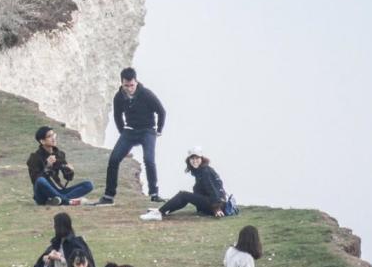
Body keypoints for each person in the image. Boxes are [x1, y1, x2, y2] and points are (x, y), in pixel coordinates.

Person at [94, 68, 166, 206]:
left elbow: (161, 111)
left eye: (132, 85)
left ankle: (154, 194)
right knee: (114, 159)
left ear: (136, 82)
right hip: (130, 131)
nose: (129, 88)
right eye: (126, 85)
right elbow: (117, 116)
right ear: (121, 83)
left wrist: (159, 130)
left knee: (149, 160)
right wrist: (123, 133)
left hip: (147, 130)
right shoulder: (119, 96)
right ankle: (108, 196)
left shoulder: (146, 94)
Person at [140, 147, 228, 221]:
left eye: (197, 158)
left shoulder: (205, 171)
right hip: (213, 204)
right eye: (192, 159)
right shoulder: (200, 170)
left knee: (183, 195)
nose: (195, 161)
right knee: (185, 197)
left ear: (202, 159)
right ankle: (163, 210)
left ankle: (159, 213)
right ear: (189, 160)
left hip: (217, 206)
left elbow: (213, 189)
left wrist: (217, 208)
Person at [27, 126, 94, 206]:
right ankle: (67, 201)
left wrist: (69, 170)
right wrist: (47, 166)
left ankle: (58, 200)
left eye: (53, 135)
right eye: (49, 136)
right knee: (41, 180)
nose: (53, 138)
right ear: (42, 141)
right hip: (42, 195)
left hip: (58, 191)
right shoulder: (35, 157)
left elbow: (68, 178)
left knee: (88, 185)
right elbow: (35, 180)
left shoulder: (59, 154)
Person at [30, 212, 94, 267]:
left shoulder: (77, 244)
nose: (55, 228)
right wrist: (48, 258)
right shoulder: (56, 243)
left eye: (56, 225)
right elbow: (43, 265)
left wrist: (60, 258)